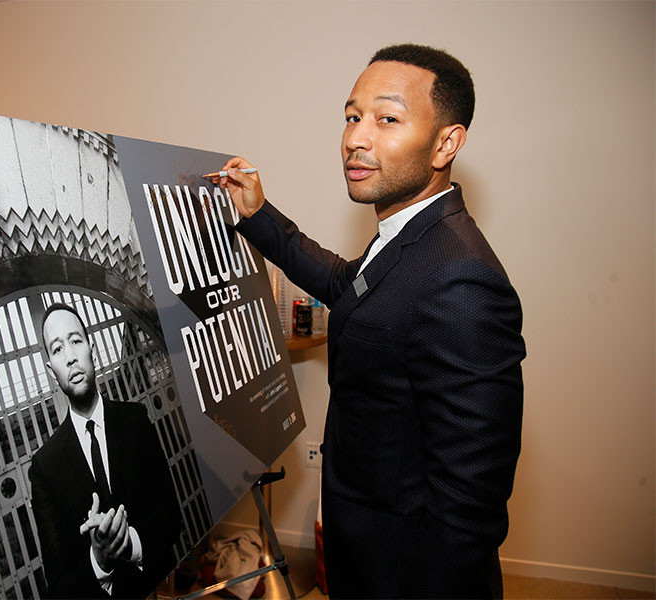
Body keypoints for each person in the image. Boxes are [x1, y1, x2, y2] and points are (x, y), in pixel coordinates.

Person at [213, 44, 525, 599]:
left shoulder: (462, 279)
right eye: (353, 116)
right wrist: (258, 215)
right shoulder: (411, 236)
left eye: (387, 119)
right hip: (365, 546)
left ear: (446, 143)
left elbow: (469, 504)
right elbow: (345, 285)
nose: (357, 137)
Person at [28, 303, 182, 599]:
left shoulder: (135, 420)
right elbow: (58, 584)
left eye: (75, 341)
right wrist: (99, 559)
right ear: (51, 369)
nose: (71, 357)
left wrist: (128, 543)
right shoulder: (44, 467)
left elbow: (171, 516)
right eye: (58, 349)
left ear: (92, 349)